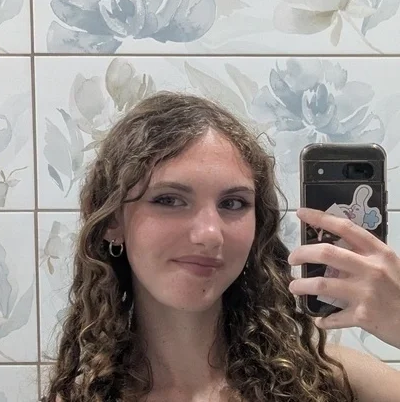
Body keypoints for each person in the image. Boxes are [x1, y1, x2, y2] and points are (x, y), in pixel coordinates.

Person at [43, 91, 400, 402]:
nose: (210, 234)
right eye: (169, 200)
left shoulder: (334, 380)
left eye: (233, 203)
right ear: (111, 220)